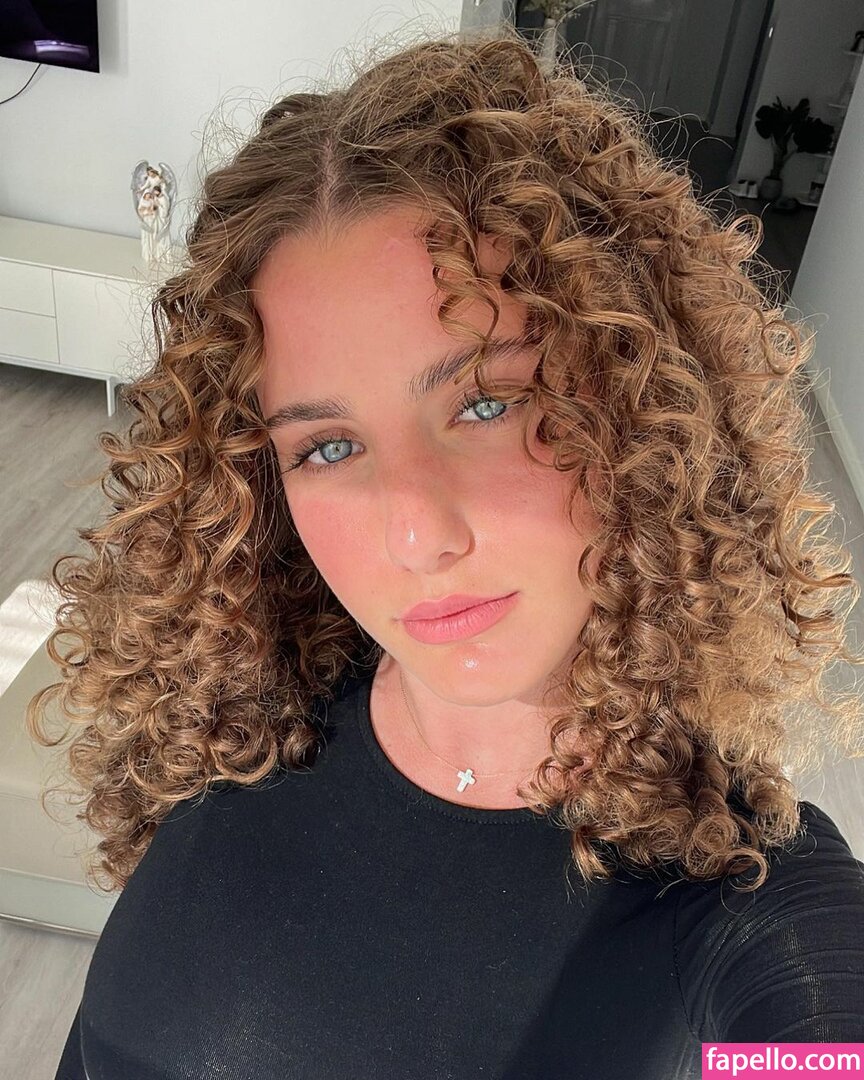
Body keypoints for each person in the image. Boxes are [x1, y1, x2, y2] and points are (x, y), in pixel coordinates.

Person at [32, 25, 864, 1080]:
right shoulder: (237, 713)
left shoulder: (740, 897)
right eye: (328, 446)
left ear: (640, 402)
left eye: (486, 402)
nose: (417, 535)